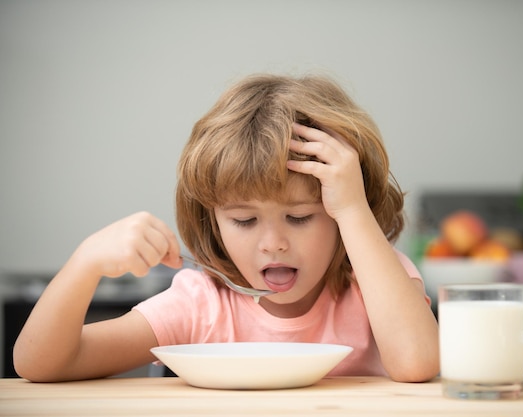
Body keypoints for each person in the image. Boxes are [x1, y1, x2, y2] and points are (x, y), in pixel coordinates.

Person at [13, 74, 439, 383]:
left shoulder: (374, 281)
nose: (273, 244)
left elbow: (418, 363)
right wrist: (84, 263)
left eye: (300, 217)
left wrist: (353, 208)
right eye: (244, 220)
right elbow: (42, 365)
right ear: (212, 220)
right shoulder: (202, 304)